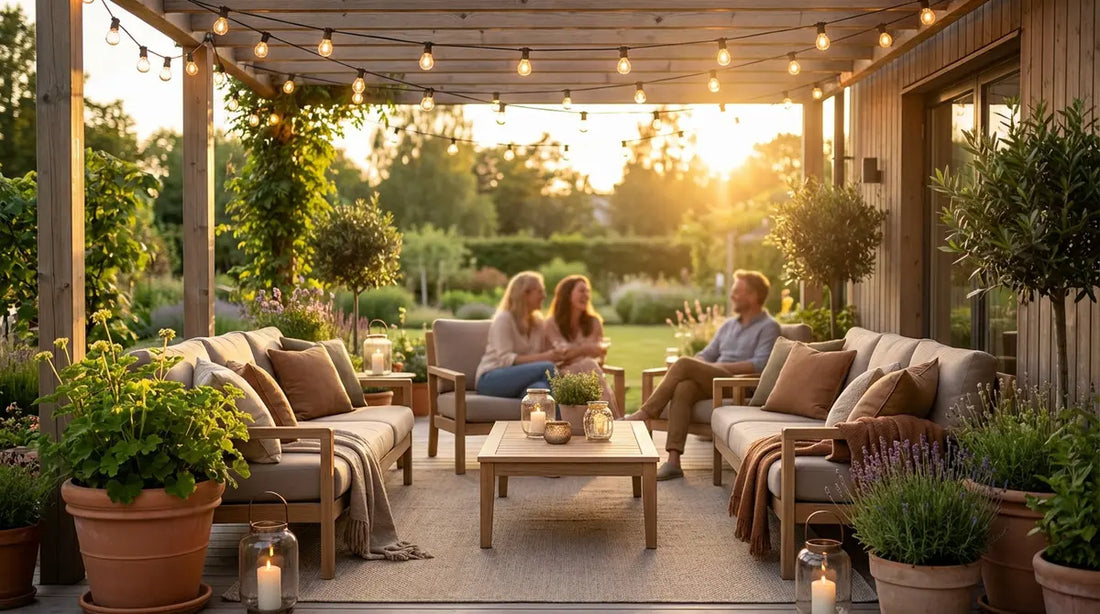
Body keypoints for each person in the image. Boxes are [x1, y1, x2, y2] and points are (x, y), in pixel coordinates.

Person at [627, 270, 780, 480]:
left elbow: (759, 364)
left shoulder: (769, 327)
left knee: (682, 363)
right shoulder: (728, 325)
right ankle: (673, 462)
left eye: (737, 291)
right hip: (714, 380)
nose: (732, 295)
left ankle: (645, 413)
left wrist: (714, 366)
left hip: (739, 385)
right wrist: (697, 366)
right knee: (684, 387)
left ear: (753, 296)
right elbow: (706, 354)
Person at [475, 271, 563, 398]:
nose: (544, 296)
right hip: (491, 379)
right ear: (525, 294)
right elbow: (506, 359)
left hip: (522, 379)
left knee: (539, 390)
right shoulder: (504, 319)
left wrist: (558, 353)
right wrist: (545, 357)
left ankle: (550, 417)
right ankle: (565, 417)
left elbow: (541, 354)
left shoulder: (538, 322)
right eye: (539, 292)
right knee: (547, 367)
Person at [544, 275, 620, 417]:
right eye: (581, 291)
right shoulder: (551, 323)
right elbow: (562, 355)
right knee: (589, 364)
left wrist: (579, 352)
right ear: (567, 295)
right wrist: (586, 349)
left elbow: (601, 355)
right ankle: (613, 418)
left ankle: (606, 419)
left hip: (591, 372)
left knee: (590, 365)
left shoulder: (594, 322)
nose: (586, 295)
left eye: (588, 291)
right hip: (563, 374)